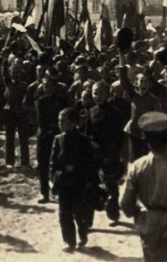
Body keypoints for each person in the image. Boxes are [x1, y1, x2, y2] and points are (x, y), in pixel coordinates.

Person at [120, 112, 167, 262]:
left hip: (150, 229)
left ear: (146, 141)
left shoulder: (136, 167)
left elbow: (125, 203)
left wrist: (139, 215)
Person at [50, 107, 95, 252]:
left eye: (64, 121)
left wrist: (87, 181)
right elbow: (53, 162)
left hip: (78, 182)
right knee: (64, 213)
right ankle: (69, 241)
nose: (60, 123)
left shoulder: (84, 140)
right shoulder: (58, 139)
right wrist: (53, 180)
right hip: (63, 182)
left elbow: (89, 163)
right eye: (59, 121)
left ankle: (83, 234)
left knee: (79, 212)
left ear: (74, 122)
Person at [87, 79, 131, 223]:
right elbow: (88, 134)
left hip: (109, 153)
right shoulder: (91, 112)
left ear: (107, 95)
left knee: (111, 184)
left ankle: (113, 214)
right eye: (95, 93)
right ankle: (89, 217)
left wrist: (112, 153)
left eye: (101, 93)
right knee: (91, 183)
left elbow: (118, 136)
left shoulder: (114, 112)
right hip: (94, 154)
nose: (98, 96)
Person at [34, 75, 69, 203]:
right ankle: (44, 193)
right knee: (43, 165)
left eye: (50, 86)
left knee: (59, 163)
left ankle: (58, 190)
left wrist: (57, 130)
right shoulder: (40, 101)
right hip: (44, 136)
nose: (47, 89)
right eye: (45, 86)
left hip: (59, 135)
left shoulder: (62, 101)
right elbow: (40, 120)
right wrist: (51, 130)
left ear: (55, 87)